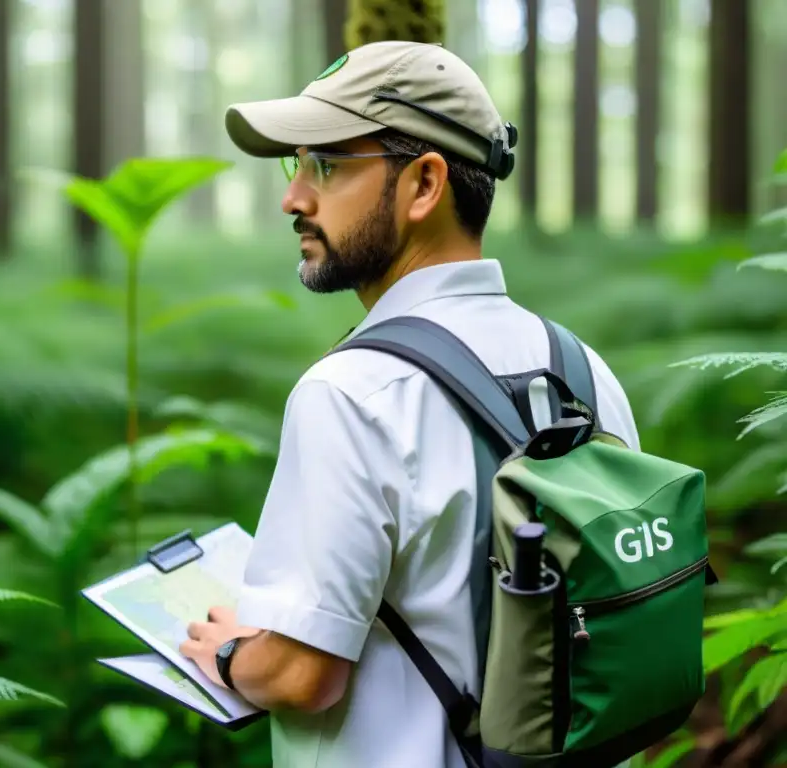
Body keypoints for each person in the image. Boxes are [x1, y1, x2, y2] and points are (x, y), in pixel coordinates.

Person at [178, 40, 640, 768]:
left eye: (325, 164)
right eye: (292, 164)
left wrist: (234, 650)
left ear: (424, 184)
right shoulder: (583, 371)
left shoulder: (350, 394)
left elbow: (305, 674)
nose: (293, 197)